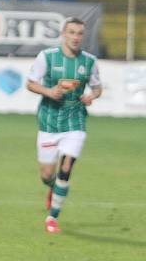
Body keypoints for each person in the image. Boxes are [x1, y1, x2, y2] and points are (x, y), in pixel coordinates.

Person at [25, 17, 102, 234]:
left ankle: (52, 218)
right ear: (63, 34)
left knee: (66, 168)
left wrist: (91, 96)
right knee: (47, 175)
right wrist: (49, 92)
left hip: (75, 121)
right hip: (49, 122)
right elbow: (30, 83)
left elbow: (97, 87)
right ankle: (53, 188)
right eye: (72, 33)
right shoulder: (47, 57)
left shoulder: (89, 61)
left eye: (79, 33)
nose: (76, 37)